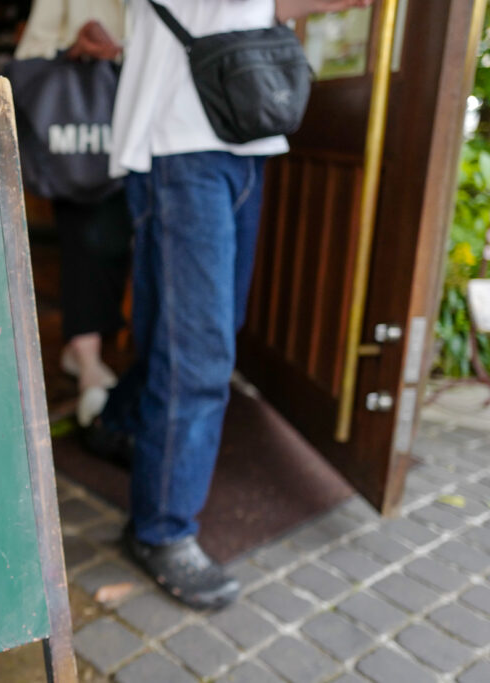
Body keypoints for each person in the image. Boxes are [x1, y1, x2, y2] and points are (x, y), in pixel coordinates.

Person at [91, 0, 374, 610]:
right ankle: (161, 528)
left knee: (201, 330)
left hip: (240, 135)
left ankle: (117, 423)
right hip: (181, 142)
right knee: (198, 346)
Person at [14, 0, 132, 427]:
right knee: (89, 242)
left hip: (145, 125)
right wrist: (76, 46)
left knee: (118, 243)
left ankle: (82, 351)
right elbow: (31, 55)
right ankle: (87, 360)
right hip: (83, 129)